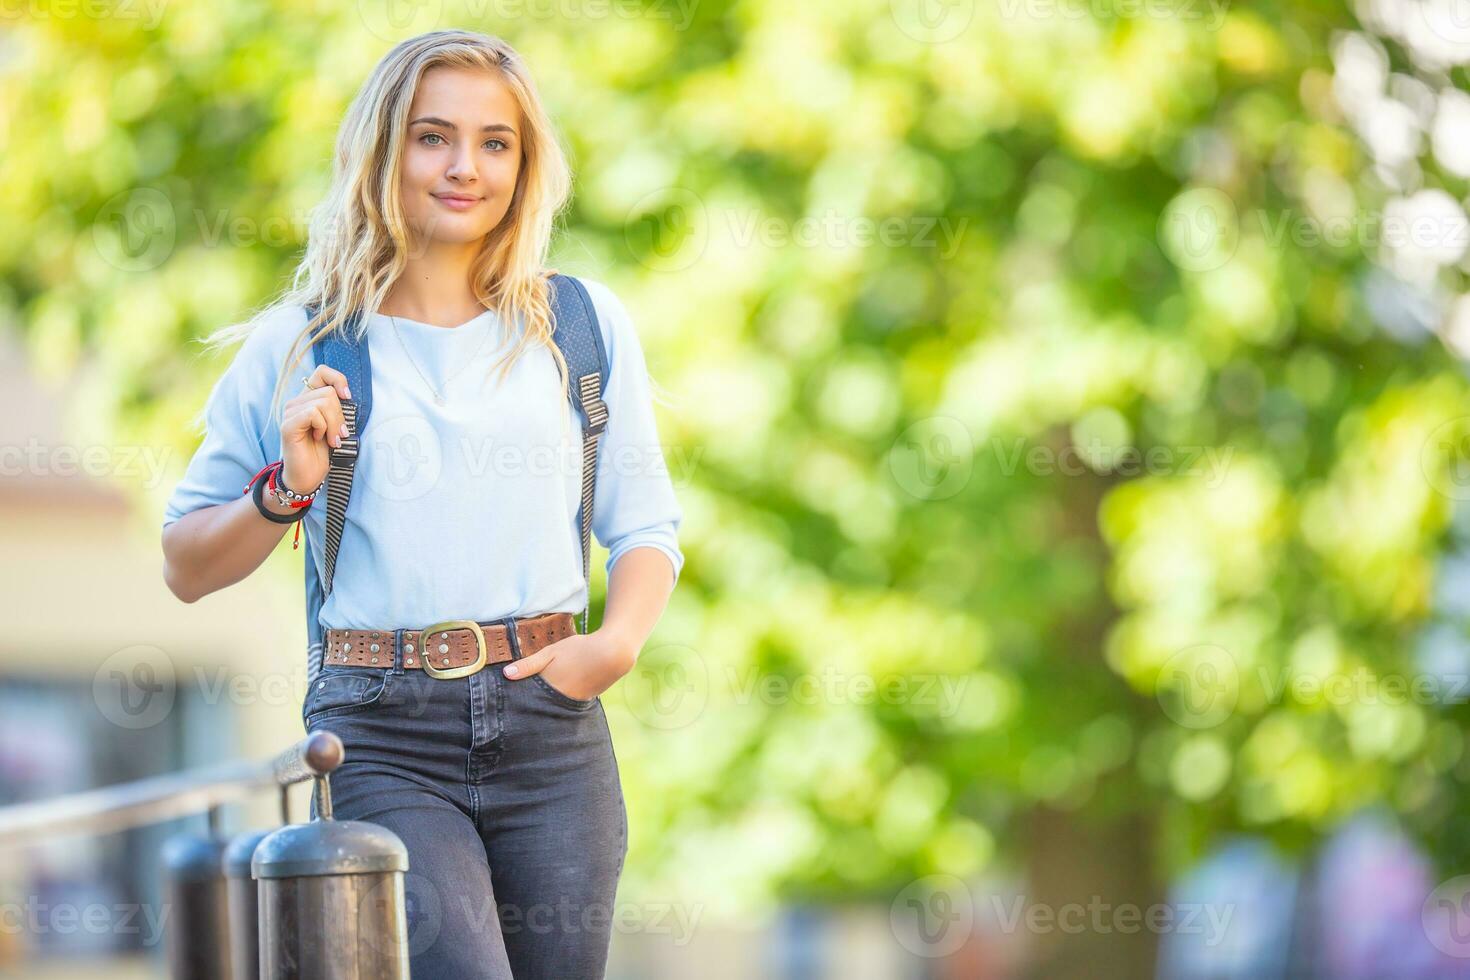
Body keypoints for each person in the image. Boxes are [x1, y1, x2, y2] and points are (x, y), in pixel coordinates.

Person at [160, 29, 683, 979]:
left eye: (496, 143)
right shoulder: (299, 342)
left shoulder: (581, 326)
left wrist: (616, 644)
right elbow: (187, 564)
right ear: (383, 150)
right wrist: (286, 492)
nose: (464, 168)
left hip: (553, 728)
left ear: (525, 167)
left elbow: (645, 526)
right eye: (432, 137)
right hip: (383, 727)